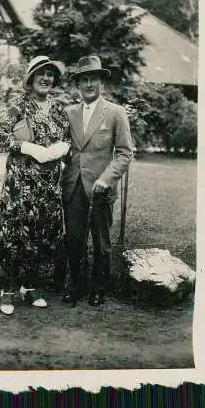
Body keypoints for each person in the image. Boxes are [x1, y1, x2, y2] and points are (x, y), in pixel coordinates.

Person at [0, 56, 71, 315]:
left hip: (48, 185)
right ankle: (7, 290)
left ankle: (29, 286)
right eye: (41, 74)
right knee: (15, 234)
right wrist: (25, 146)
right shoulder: (18, 106)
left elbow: (67, 137)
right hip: (21, 185)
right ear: (31, 78)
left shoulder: (58, 108)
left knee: (42, 233)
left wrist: (63, 147)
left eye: (50, 74)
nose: (46, 78)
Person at [61, 55, 133, 307]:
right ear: (78, 85)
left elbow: (125, 153)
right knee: (73, 240)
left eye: (94, 79)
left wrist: (107, 179)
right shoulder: (68, 113)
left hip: (101, 189)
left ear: (102, 83)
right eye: (84, 80)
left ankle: (99, 288)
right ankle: (77, 286)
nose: (89, 84)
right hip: (72, 187)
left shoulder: (115, 112)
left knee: (101, 243)